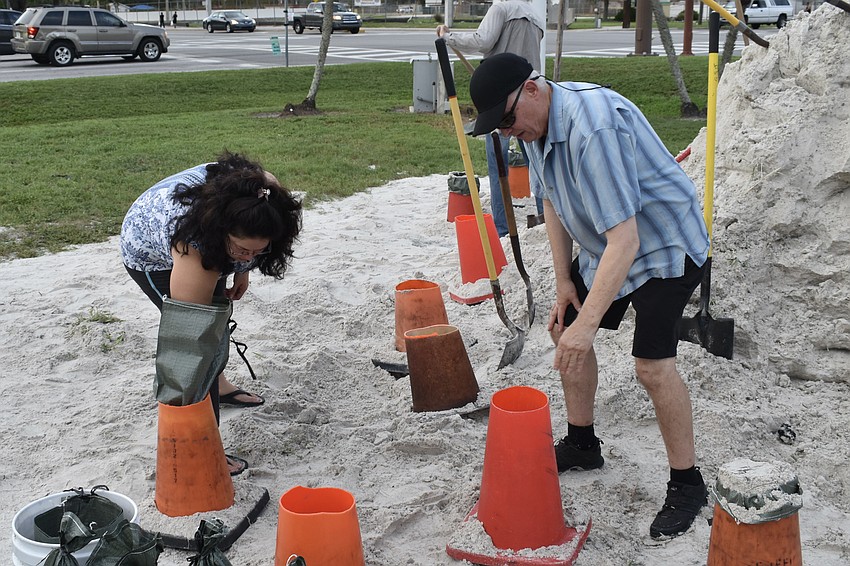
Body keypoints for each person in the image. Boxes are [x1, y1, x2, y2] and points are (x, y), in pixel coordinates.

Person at [468, 53, 711, 539]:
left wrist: (586, 330)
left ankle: (688, 482)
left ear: (533, 89)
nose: (509, 132)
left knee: (651, 365)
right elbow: (553, 201)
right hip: (610, 242)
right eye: (500, 127)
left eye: (510, 119)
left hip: (665, 242)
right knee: (564, 321)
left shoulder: (592, 129)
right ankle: (582, 443)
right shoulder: (534, 127)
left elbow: (629, 241)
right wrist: (564, 282)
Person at [120, 151, 302, 475]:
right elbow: (189, 349)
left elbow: (250, 243)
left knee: (214, 327)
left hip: (211, 240)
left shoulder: (264, 198)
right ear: (223, 232)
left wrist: (242, 267)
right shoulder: (195, 248)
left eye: (259, 250)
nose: (251, 255)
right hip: (149, 249)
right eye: (242, 249)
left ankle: (218, 386)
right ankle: (203, 448)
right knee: (199, 348)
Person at [436, 0, 545, 237]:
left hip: (501, 98)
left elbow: (482, 40)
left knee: (498, 165)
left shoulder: (502, 8)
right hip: (527, 97)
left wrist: (448, 37)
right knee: (536, 163)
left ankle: (503, 227)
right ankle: (543, 217)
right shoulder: (535, 16)